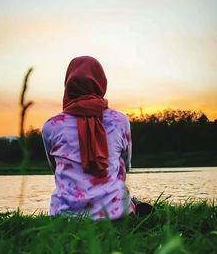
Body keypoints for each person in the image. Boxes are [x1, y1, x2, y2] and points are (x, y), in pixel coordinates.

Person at [42, 56, 148, 220]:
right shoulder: (120, 121)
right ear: (101, 82)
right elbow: (127, 165)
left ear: (68, 84)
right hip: (115, 215)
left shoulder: (51, 126)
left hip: (63, 216)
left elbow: (54, 168)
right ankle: (130, 205)